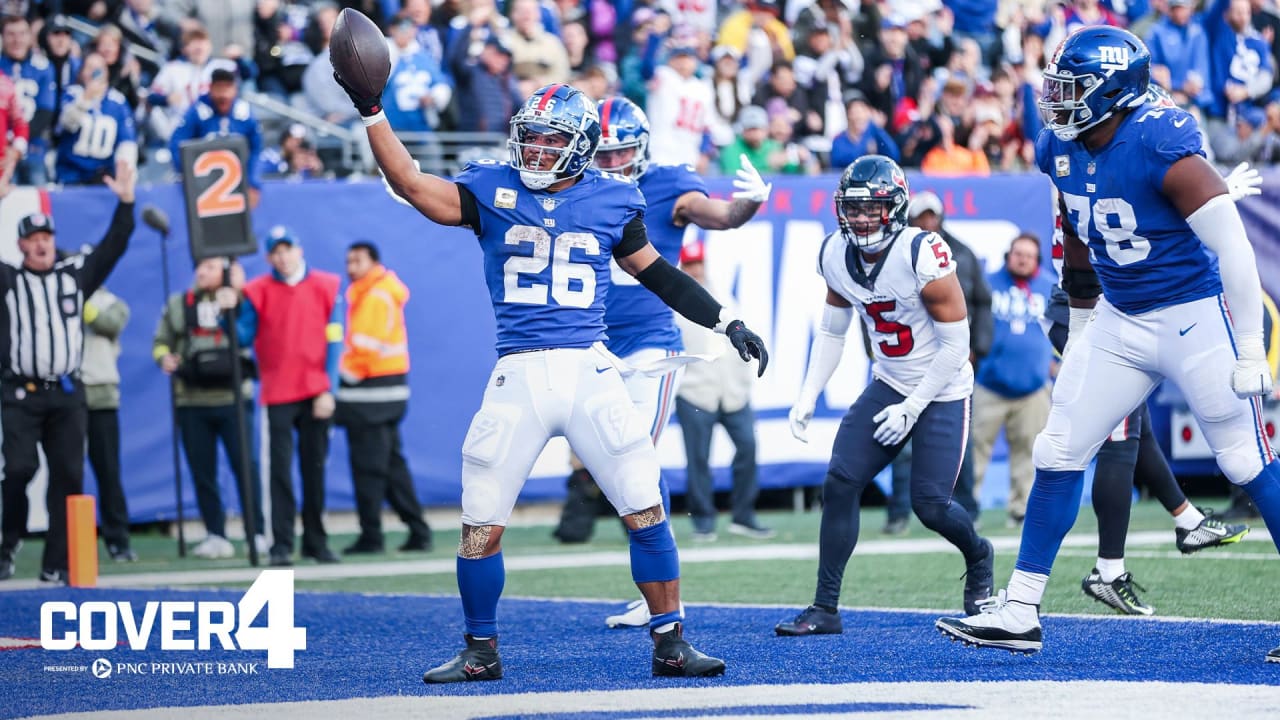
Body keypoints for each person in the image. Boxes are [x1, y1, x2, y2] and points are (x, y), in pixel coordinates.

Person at [333, 73, 767, 680]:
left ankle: (670, 642)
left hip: (591, 367)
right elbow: (409, 182)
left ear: (581, 145)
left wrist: (726, 320)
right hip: (519, 370)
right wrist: (372, 111)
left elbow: (657, 274)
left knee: (644, 500)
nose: (534, 151)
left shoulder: (615, 198)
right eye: (529, 138)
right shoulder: (489, 186)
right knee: (480, 513)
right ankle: (481, 650)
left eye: (549, 140)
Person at [936, 28, 1280, 664]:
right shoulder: (1058, 147)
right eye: (1055, 86)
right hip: (1120, 316)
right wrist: (1084, 318)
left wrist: (1250, 350)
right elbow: (1075, 237)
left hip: (1191, 317)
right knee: (1059, 447)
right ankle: (1019, 609)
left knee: (1243, 460)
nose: (1056, 101)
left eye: (1072, 89)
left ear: (1115, 92)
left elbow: (1233, 245)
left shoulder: (1161, 142)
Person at [574, 96, 771, 628]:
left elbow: (720, 215)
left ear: (642, 149)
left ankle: (664, 597)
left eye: (622, 153)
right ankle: (656, 587)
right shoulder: (573, 184)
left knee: (633, 452)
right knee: (619, 467)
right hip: (588, 342)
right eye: (604, 154)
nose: (613, 164)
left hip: (649, 345)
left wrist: (746, 204)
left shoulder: (665, 184)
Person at [777, 155, 994, 636]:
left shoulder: (921, 251)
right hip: (891, 381)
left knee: (931, 506)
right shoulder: (835, 253)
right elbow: (832, 332)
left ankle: (979, 555)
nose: (860, 218)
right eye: (853, 209)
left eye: (871, 209)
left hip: (942, 388)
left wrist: (914, 407)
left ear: (894, 209)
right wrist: (809, 392)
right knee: (840, 480)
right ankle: (825, 607)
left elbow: (957, 346)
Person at [1041, 163, 1256, 615]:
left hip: (1100, 304)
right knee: (1119, 439)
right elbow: (1135, 229)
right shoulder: (1090, 165)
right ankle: (1109, 569)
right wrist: (1209, 202)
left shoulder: (1087, 163)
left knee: (1133, 429)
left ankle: (1186, 520)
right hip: (1093, 306)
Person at [0, 158, 135, 584]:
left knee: (69, 476)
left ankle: (55, 565)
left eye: (46, 237)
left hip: (66, 394)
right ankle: (7, 545)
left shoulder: (74, 277)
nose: (41, 244)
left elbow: (114, 244)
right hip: (20, 393)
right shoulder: (8, 281)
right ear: (20, 246)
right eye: (32, 238)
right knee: (19, 469)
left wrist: (127, 202)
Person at [225, 227, 343, 567]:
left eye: (287, 249)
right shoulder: (256, 290)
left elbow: (335, 341)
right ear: (268, 257)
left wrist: (328, 390)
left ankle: (316, 542)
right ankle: (281, 544)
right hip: (277, 393)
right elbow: (242, 337)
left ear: (299, 250)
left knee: (315, 469)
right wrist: (229, 307)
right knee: (278, 472)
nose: (282, 257)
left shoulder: (327, 286)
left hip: (316, 391)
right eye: (275, 252)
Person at [883, 191, 991, 534]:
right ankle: (898, 512)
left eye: (933, 216)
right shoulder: (895, 253)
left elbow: (982, 303)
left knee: (959, 439)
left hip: (951, 362)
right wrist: (878, 350)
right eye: (922, 217)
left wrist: (978, 347)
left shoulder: (962, 253)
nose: (929, 223)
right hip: (909, 362)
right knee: (900, 438)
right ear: (910, 219)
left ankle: (967, 509)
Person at [154, 257, 265, 559]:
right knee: (203, 472)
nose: (203, 272)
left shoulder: (242, 299)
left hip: (233, 400)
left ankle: (257, 533)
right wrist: (164, 357)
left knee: (246, 467)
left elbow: (247, 334)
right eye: (199, 267)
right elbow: (161, 341)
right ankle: (216, 534)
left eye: (211, 267)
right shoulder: (180, 303)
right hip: (192, 401)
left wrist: (236, 300)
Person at [336, 241, 432, 555]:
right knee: (392, 467)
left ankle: (372, 536)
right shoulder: (378, 293)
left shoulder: (374, 297)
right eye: (349, 261)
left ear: (373, 263)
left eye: (358, 261)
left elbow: (363, 350)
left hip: (370, 397)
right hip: (387, 394)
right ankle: (418, 530)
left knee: (368, 469)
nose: (351, 267)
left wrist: (338, 380)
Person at [674, 241, 771, 542]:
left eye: (698, 263)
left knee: (748, 448)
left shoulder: (723, 295)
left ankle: (743, 515)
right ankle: (703, 520)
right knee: (698, 459)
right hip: (695, 391)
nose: (695, 270)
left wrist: (743, 382)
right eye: (689, 265)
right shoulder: (672, 302)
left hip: (732, 391)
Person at [968, 232, 1055, 529]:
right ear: (1008, 255)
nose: (1022, 259)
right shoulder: (989, 282)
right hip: (989, 384)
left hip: (1033, 388)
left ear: (1037, 260)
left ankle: (1020, 509)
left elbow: (1064, 329)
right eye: (1018, 253)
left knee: (1030, 452)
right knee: (975, 449)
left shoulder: (1049, 287)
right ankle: (967, 509)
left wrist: (1056, 363)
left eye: (1029, 255)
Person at [82, 286, 136, 562]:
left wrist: (81, 304)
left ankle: (118, 541)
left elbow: (110, 324)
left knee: (108, 472)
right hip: (67, 394)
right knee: (65, 473)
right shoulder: (53, 295)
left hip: (102, 396)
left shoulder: (113, 302)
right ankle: (64, 544)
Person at [168, 67, 263, 203]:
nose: (223, 95)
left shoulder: (244, 113)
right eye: (219, 89)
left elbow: (256, 149)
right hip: (202, 187)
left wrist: (252, 182)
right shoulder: (198, 112)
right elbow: (176, 143)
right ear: (211, 89)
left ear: (235, 89)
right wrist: (188, 175)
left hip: (237, 184)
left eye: (228, 88)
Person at [55, 52, 139, 185]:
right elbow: (67, 124)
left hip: (102, 177)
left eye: (99, 67)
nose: (95, 72)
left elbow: (127, 143)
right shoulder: (72, 93)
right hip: (71, 175)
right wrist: (86, 98)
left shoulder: (118, 102)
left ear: (106, 72)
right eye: (90, 67)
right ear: (81, 72)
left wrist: (127, 177)